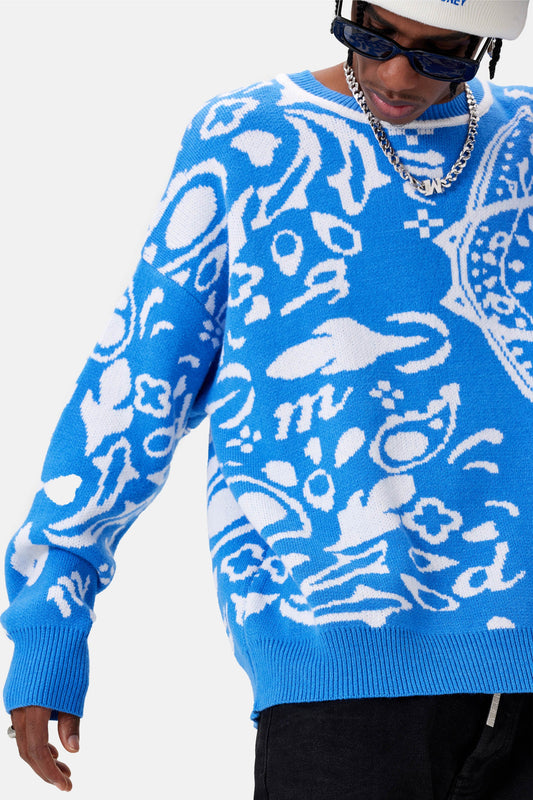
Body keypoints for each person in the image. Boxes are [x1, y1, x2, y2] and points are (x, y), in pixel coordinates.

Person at [3, 0, 533, 796]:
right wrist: (51, 618)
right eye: (373, 37)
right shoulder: (251, 137)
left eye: (441, 54)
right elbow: (140, 379)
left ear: (486, 45)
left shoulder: (523, 138)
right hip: (336, 665)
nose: (396, 75)